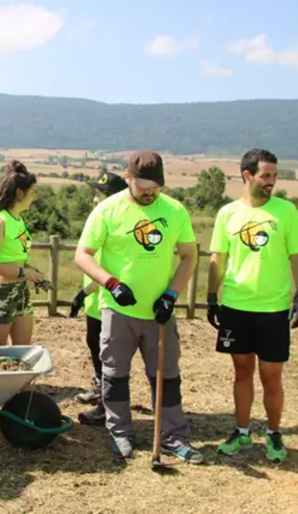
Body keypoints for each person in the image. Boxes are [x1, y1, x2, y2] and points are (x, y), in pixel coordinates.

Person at [74, 150, 203, 463]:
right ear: (128, 177)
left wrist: (171, 294)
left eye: (155, 188)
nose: (150, 194)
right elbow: (83, 255)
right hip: (118, 312)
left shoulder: (174, 210)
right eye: (144, 187)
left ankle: (173, 437)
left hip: (159, 314)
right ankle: (120, 432)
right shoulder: (107, 210)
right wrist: (112, 284)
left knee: (167, 376)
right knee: (114, 374)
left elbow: (189, 257)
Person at [206, 148, 298, 464]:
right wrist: (212, 297)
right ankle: (241, 432)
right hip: (236, 307)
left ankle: (274, 433)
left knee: (271, 376)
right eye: (266, 175)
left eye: (275, 176)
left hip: (273, 310)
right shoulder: (227, 214)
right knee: (241, 372)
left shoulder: (286, 212)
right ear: (247, 175)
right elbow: (218, 258)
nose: (272, 181)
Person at [69, 170, 128, 425]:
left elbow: (108, 269)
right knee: (95, 347)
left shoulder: (115, 223)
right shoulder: (103, 219)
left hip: (105, 300)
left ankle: (106, 405)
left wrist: (84, 292)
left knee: (106, 355)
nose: (95, 199)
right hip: (96, 303)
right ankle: (99, 390)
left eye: (100, 194)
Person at [0, 161, 45, 346]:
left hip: (21, 293)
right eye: (32, 192)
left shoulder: (19, 221)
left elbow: (17, 258)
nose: (34, 197)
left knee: (22, 353)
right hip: (0, 294)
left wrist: (33, 271)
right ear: (19, 193)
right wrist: (24, 273)